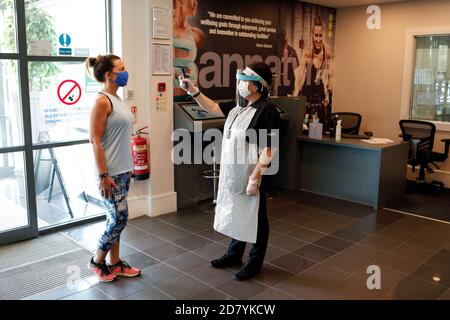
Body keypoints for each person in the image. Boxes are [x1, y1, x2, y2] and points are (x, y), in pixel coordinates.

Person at [179, 62, 280, 281]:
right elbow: (213, 108)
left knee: (257, 219)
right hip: (233, 173)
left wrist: (255, 177)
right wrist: (193, 90)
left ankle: (254, 262)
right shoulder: (238, 107)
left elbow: (269, 148)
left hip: (252, 175)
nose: (241, 84)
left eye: (245, 80)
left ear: (256, 85)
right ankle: (234, 254)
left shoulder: (266, 110)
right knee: (237, 211)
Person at [85, 54, 141, 282]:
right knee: (119, 219)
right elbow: (95, 140)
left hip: (124, 169)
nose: (126, 72)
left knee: (115, 220)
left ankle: (115, 263)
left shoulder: (117, 99)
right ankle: (97, 261)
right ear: (109, 74)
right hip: (110, 173)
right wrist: (102, 175)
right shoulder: (101, 101)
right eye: (121, 68)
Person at [293, 16, 333, 130]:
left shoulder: (327, 51)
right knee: (303, 121)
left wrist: (327, 94)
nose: (318, 39)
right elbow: (299, 74)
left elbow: (329, 75)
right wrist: (296, 95)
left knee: (322, 123)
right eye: (316, 35)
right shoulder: (307, 51)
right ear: (312, 35)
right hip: (308, 88)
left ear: (324, 35)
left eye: (320, 35)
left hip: (320, 88)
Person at [173, 0, 205, 101]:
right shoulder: (165, 29)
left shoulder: (196, 34)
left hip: (192, 96)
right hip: (172, 97)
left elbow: (192, 65)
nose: (196, 3)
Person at [278, 30, 299, 96]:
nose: (284, 39)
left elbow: (296, 65)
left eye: (285, 37)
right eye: (282, 37)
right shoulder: (277, 50)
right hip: (280, 81)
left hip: (289, 81)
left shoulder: (291, 50)